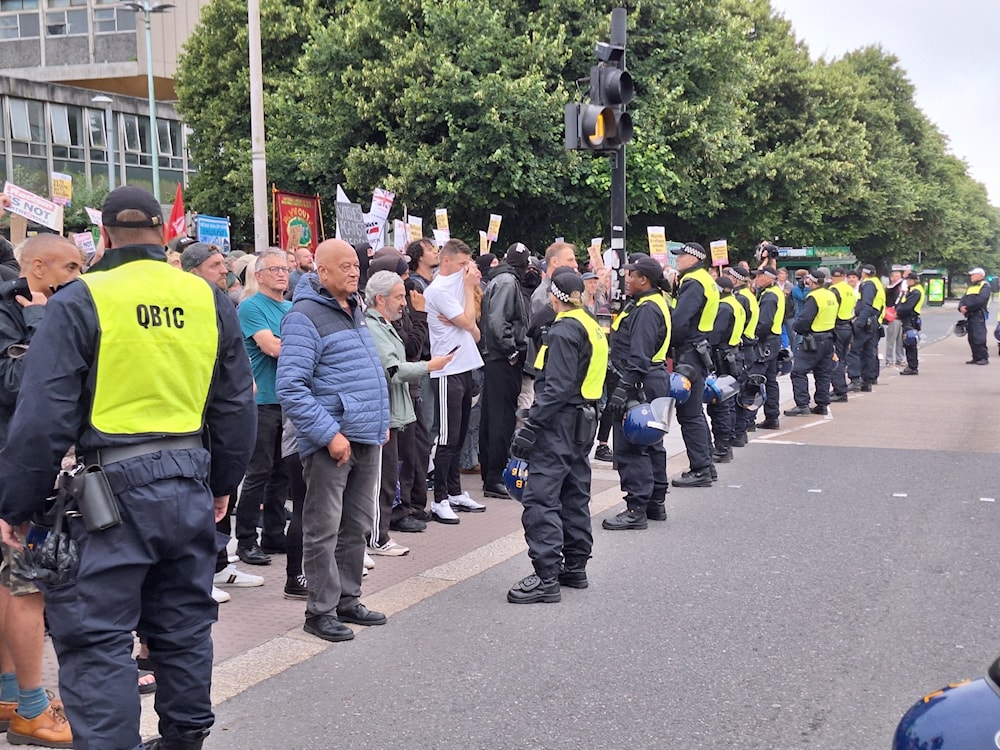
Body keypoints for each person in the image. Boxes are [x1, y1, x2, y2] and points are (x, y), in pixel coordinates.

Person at [0, 185, 256, 750]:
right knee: (185, 626)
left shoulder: (80, 298)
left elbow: (43, 418)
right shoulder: (205, 297)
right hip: (189, 481)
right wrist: (222, 485)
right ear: (165, 231)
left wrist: (16, 505)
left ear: (106, 236)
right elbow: (236, 403)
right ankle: (186, 739)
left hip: (108, 494)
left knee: (96, 639)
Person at [277, 238, 391, 643]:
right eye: (343, 266)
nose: (354, 270)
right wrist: (329, 434)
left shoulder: (355, 308)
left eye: (355, 264)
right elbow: (291, 387)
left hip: (364, 433)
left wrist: (380, 418)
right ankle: (319, 610)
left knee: (356, 524)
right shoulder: (304, 315)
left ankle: (347, 599)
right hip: (333, 441)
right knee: (323, 527)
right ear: (320, 273)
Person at [0, 234, 82, 748]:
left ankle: (11, 693)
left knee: (11, 582)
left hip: (22, 462)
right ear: (36, 267)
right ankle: (32, 707)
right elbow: (17, 383)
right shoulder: (20, 312)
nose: (81, 272)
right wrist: (40, 322)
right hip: (15, 465)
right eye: (70, 264)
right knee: (24, 586)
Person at [507, 269, 607, 603]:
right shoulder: (590, 323)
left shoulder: (564, 330)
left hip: (559, 423)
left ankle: (546, 575)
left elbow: (558, 386)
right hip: (582, 420)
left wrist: (532, 426)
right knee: (574, 492)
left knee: (541, 497)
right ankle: (574, 567)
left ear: (554, 295)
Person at [364, 270, 453, 554]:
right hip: (383, 414)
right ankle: (376, 538)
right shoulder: (374, 326)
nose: (405, 303)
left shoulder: (384, 324)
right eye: (399, 297)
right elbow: (393, 370)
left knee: (390, 475)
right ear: (380, 299)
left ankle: (377, 536)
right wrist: (431, 366)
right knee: (383, 478)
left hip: (393, 412)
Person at [601, 255, 671, 529]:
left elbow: (639, 356)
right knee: (652, 441)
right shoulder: (653, 302)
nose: (626, 279)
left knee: (632, 445)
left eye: (631, 275)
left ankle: (636, 508)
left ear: (644, 279)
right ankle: (655, 503)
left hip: (639, 381)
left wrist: (622, 391)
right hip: (652, 379)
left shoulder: (646, 310)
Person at [234, 250, 294, 566]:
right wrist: (299, 349)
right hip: (262, 400)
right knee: (259, 471)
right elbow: (270, 347)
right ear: (259, 275)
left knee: (282, 473)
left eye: (286, 268)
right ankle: (246, 539)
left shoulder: (291, 307)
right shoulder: (251, 306)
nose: (282, 274)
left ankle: (273, 533)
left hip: (287, 399)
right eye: (274, 269)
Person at [423, 239, 487, 524]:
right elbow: (468, 324)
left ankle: (455, 491)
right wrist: (470, 290)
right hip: (446, 370)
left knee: (459, 436)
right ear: (446, 260)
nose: (467, 269)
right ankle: (439, 499)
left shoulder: (460, 284)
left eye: (468, 264)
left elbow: (475, 329)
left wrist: (468, 321)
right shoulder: (437, 289)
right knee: (447, 438)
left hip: (464, 366)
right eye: (461, 264)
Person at [479, 243, 530, 499]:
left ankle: (491, 474)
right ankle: (495, 477)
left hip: (495, 357)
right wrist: (511, 351)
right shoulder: (509, 283)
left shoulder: (501, 280)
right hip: (503, 358)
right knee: (501, 419)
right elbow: (498, 322)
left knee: (492, 417)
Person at [668, 242, 720, 487]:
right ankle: (706, 465)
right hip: (700, 348)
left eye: (681, 256)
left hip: (690, 351)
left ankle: (700, 469)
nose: (677, 260)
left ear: (693, 258)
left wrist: (665, 342)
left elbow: (679, 321)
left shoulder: (693, 283)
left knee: (689, 414)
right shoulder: (705, 279)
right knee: (695, 413)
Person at [783, 270, 837, 416]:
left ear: (811, 282)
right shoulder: (830, 294)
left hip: (814, 338)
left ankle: (802, 404)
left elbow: (805, 319)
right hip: (828, 337)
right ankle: (822, 404)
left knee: (798, 371)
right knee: (823, 372)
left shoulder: (813, 296)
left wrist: (797, 328)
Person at [706, 275, 746, 464]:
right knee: (728, 402)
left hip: (722, 356)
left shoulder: (723, 307)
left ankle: (722, 448)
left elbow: (714, 335)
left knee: (720, 404)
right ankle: (727, 443)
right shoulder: (736, 303)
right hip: (733, 353)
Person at [726, 265, 759, 447]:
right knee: (743, 392)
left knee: (735, 395)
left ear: (735, 279)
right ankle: (741, 432)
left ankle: (737, 433)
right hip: (748, 347)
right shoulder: (749, 296)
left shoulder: (740, 299)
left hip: (741, 347)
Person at [750, 266, 785, 430]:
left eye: (759, 276)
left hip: (765, 342)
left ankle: (749, 419)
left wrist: (753, 337)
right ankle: (772, 417)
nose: (756, 278)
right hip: (773, 341)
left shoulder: (770, 296)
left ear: (769, 278)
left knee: (754, 380)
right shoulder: (775, 292)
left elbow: (764, 323)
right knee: (770, 381)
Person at [853, 264, 886, 391]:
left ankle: (862, 379)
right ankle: (870, 379)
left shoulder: (868, 285)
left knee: (859, 350)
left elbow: (866, 304)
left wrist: (860, 322)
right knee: (870, 350)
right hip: (875, 320)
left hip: (868, 320)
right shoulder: (876, 282)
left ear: (863, 273)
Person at [828, 267, 856, 402]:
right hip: (848, 326)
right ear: (844, 276)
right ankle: (841, 387)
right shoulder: (849, 289)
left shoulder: (834, 290)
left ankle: (839, 391)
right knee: (843, 359)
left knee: (835, 359)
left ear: (832, 277)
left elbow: (832, 309)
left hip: (837, 327)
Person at [959, 267, 991, 365]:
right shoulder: (971, 287)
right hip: (970, 315)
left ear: (980, 275)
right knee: (971, 337)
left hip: (978, 314)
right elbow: (964, 298)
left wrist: (967, 308)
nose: (971, 277)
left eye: (973, 275)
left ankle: (983, 357)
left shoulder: (985, 286)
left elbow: (980, 301)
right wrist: (960, 307)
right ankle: (976, 357)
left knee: (979, 336)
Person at [896, 272, 925, 375]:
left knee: (910, 342)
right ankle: (912, 366)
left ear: (914, 281)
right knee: (909, 342)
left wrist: (898, 312)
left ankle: (912, 367)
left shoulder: (915, 292)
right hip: (911, 319)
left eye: (909, 280)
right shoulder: (913, 290)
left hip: (910, 319)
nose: (907, 282)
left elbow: (906, 307)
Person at [883, 269, 905, 367]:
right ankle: (889, 359)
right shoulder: (890, 288)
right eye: (896, 276)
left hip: (902, 316)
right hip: (892, 316)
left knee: (901, 340)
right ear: (891, 278)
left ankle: (900, 359)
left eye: (899, 276)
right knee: (891, 339)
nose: (898, 278)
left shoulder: (902, 288)